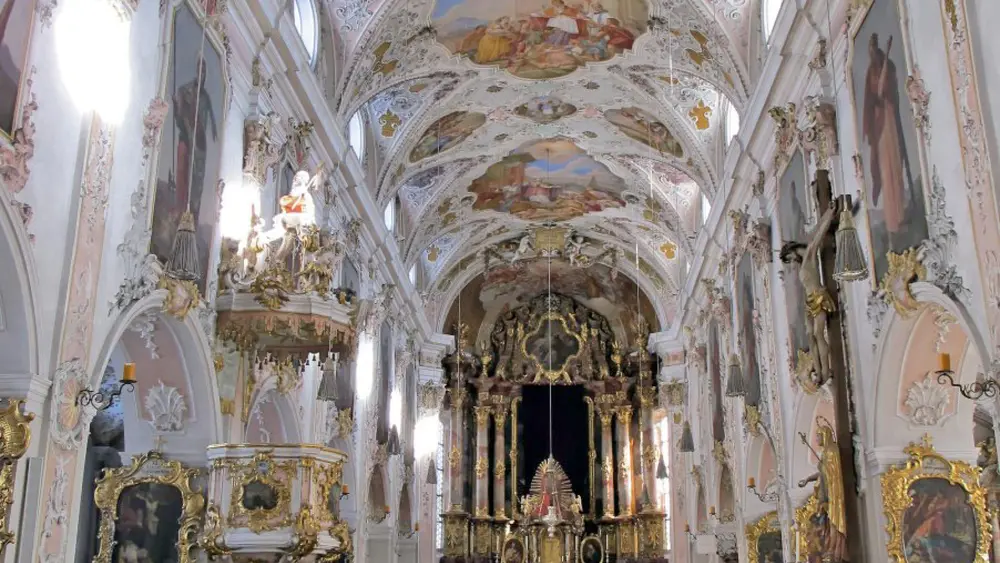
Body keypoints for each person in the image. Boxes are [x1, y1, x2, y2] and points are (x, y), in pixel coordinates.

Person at [780, 199, 838, 389]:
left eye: (788, 259)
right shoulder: (801, 264)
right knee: (809, 335)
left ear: (791, 252)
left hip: (819, 295)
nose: (790, 263)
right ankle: (818, 370)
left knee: (818, 334)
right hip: (810, 300)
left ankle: (825, 371)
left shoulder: (809, 257)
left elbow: (819, 235)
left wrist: (829, 213)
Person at [863, 32, 911, 247]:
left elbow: (889, 89)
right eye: (870, 48)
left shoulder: (887, 65)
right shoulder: (870, 73)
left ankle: (900, 217)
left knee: (895, 166)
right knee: (885, 170)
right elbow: (870, 100)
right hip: (879, 123)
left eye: (874, 47)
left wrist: (885, 96)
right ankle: (892, 222)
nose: (872, 51)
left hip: (889, 118)